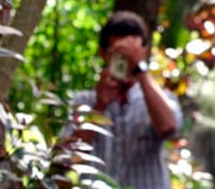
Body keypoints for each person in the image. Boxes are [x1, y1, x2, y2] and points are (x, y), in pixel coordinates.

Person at [61, 11, 183, 188]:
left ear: (144, 53)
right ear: (104, 53)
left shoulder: (159, 100)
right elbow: (66, 159)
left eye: (132, 55)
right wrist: (99, 106)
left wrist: (141, 71)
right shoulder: (85, 101)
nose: (127, 61)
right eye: (120, 54)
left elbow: (170, 128)